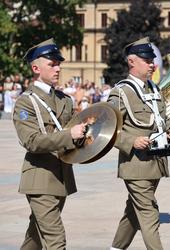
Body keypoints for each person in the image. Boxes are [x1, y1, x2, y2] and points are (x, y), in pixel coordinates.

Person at [13, 38, 86, 250]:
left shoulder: (65, 100)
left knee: (35, 237)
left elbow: (72, 137)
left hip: (61, 176)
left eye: (58, 64)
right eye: (52, 64)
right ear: (36, 68)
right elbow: (32, 141)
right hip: (39, 179)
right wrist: (69, 135)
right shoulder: (26, 102)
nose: (58, 68)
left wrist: (85, 133)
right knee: (56, 240)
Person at [107, 37, 170, 250]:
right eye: (147, 60)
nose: (152, 65)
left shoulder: (154, 89)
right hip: (135, 165)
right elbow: (106, 128)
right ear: (132, 62)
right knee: (149, 212)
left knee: (133, 212)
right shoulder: (121, 92)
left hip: (156, 162)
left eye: (152, 60)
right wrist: (131, 140)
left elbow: (162, 118)